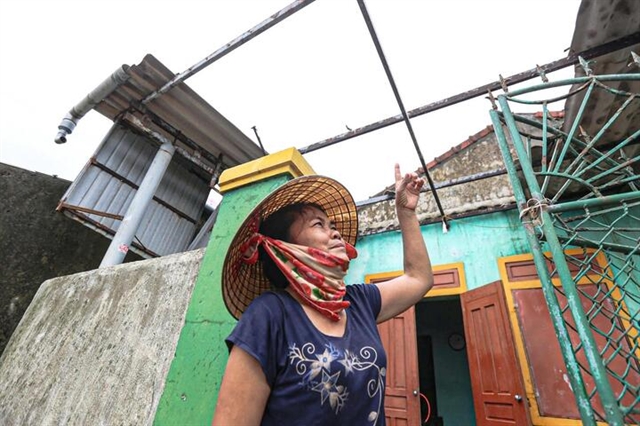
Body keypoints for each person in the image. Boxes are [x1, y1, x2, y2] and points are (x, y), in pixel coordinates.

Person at [213, 164, 433, 426]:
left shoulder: (358, 302)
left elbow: (418, 279)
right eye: (319, 224)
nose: (335, 232)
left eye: (332, 224)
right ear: (285, 248)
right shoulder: (268, 315)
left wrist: (406, 213)